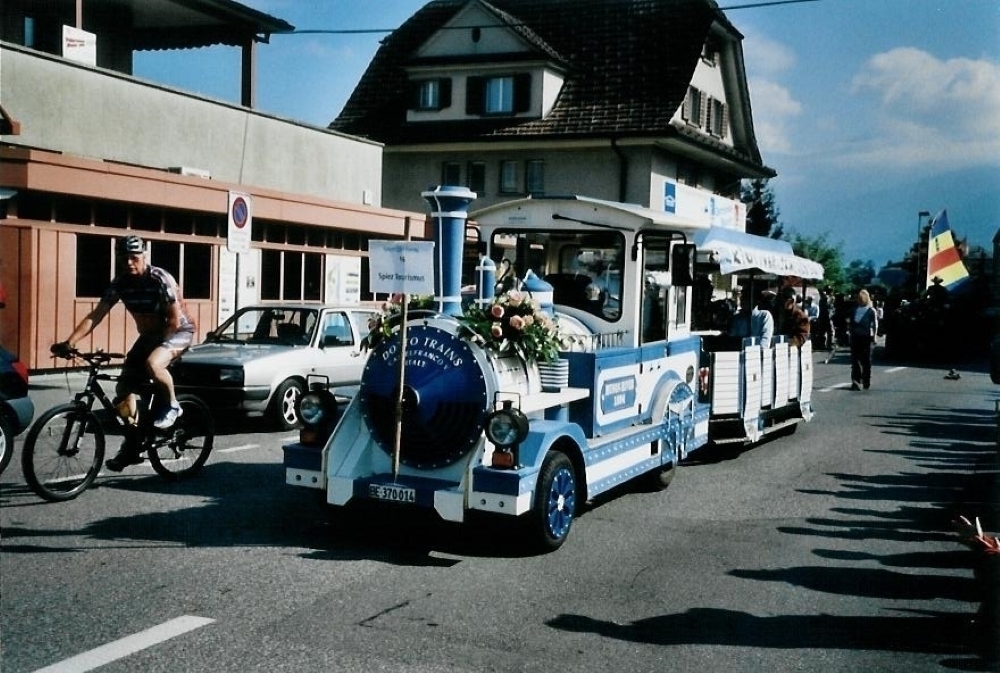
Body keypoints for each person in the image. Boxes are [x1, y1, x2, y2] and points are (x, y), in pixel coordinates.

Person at [51, 235, 195, 471]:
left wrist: (159, 352)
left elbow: (173, 320)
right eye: (124, 258)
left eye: (134, 257)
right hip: (150, 336)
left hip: (177, 331)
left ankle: (172, 405)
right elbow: (96, 315)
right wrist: (69, 342)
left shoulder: (160, 278)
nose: (129, 262)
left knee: (153, 364)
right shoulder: (120, 283)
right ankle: (132, 442)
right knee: (122, 390)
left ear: (144, 257)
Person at [848, 288, 878, 391]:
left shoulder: (871, 310)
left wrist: (874, 336)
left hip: (866, 338)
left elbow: (875, 325)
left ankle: (866, 380)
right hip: (855, 337)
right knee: (855, 360)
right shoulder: (854, 310)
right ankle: (856, 381)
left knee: (866, 360)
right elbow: (851, 324)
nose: (859, 300)